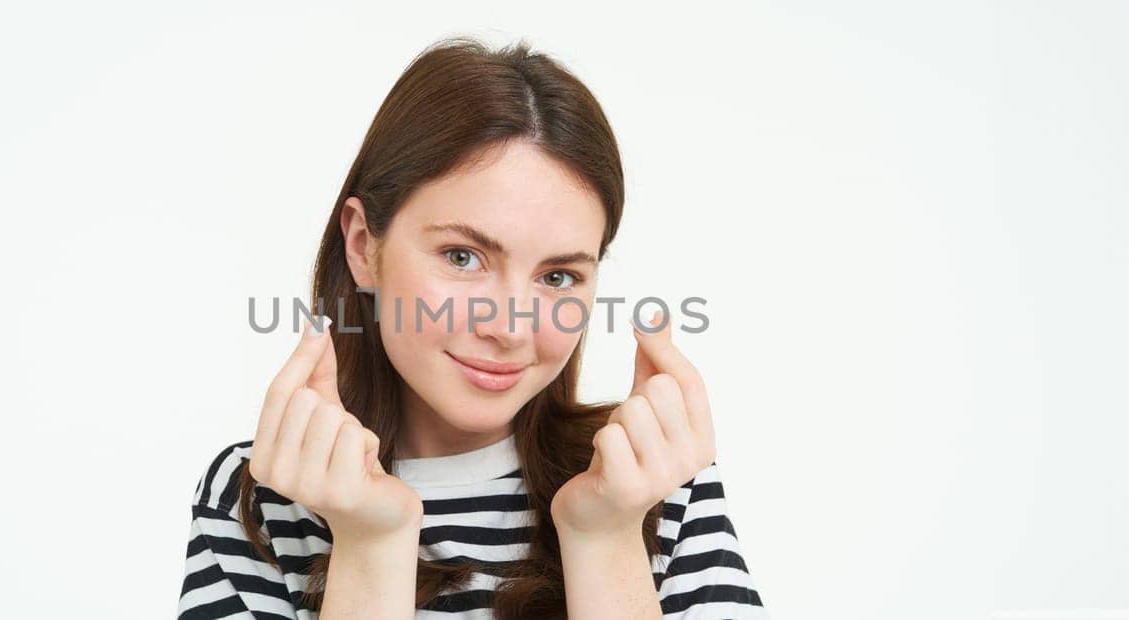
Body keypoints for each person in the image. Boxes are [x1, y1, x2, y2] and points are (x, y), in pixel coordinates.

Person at [176, 36, 766, 619]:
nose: (510, 329)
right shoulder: (265, 490)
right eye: (463, 257)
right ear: (363, 246)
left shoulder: (653, 482)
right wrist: (372, 544)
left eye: (558, 276)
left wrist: (606, 539)